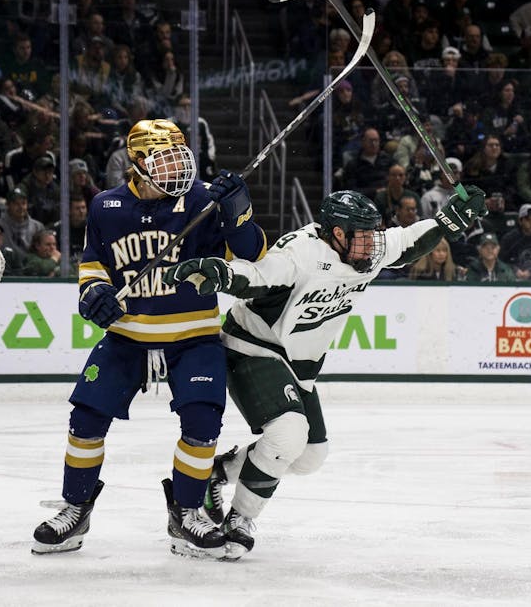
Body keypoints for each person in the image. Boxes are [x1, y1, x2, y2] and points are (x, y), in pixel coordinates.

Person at [162, 186, 487, 558]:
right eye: (363, 236)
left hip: (299, 367)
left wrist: (447, 221)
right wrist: (219, 273)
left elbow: (409, 241)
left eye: (372, 233)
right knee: (287, 435)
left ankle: (218, 472)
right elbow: (256, 276)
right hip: (252, 348)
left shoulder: (366, 246)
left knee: (310, 456)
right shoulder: (300, 253)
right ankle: (239, 518)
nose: (372, 245)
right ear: (337, 233)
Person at [32, 120, 266, 560]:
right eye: (165, 159)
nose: (178, 167)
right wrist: (93, 294)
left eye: (181, 156)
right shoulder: (106, 206)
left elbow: (251, 254)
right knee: (85, 419)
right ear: (136, 163)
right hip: (128, 337)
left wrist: (239, 211)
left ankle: (187, 513)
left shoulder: (202, 201)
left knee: (201, 424)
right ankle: (75, 507)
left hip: (193, 336)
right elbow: (93, 266)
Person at [499, 203, 531, 280]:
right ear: (520, 221)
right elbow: (501, 260)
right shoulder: (509, 238)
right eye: (528, 220)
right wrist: (515, 270)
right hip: (512, 277)